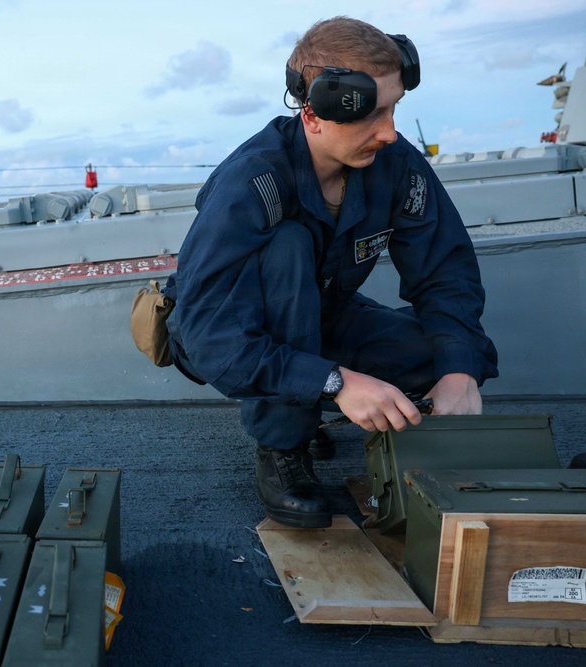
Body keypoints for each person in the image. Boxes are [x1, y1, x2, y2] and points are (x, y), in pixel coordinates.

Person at [162, 17, 498, 528]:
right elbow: (212, 338)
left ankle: (314, 397)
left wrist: (458, 372)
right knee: (289, 244)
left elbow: (444, 269)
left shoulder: (394, 163)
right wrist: (336, 382)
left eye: (394, 110)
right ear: (314, 115)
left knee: (445, 354)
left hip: (323, 312)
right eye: (371, 116)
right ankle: (283, 444)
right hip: (225, 327)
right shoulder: (252, 182)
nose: (388, 133)